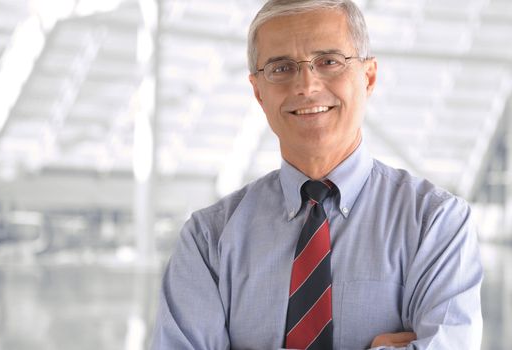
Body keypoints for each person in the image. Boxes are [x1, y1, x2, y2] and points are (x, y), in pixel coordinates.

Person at [151, 0, 483, 349]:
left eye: (328, 62)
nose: (307, 86)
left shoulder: (435, 224)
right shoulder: (208, 241)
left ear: (368, 77)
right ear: (258, 92)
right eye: (281, 68)